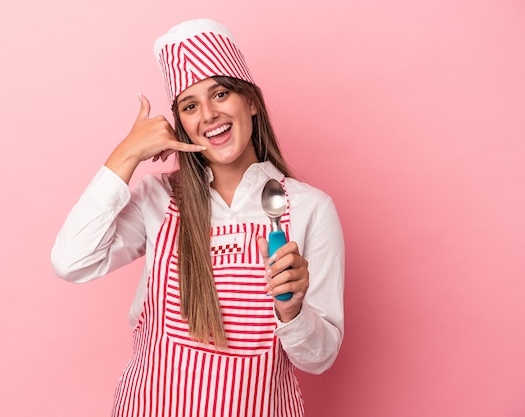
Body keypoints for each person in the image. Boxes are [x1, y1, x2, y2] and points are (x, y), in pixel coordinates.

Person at [51, 18, 344, 417]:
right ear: (182, 125)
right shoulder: (158, 200)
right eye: (190, 106)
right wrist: (126, 155)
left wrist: (291, 311)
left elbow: (319, 358)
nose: (207, 115)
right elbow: (71, 261)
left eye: (220, 93)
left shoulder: (309, 208)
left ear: (251, 101)